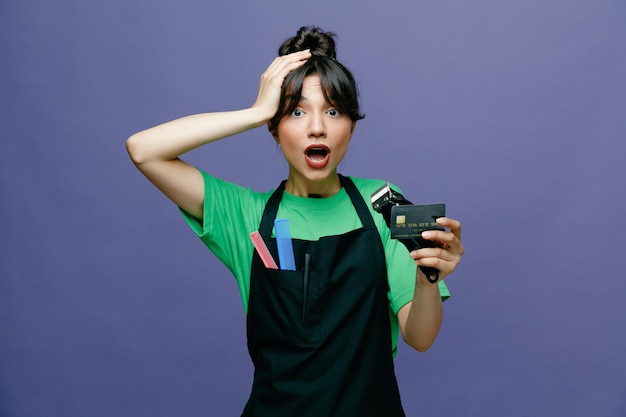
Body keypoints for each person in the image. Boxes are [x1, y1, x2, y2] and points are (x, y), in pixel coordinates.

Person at [126, 26, 464, 417]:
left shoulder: (381, 203)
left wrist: (427, 276)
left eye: (333, 111)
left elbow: (420, 338)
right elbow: (143, 150)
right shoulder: (247, 216)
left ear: (351, 127)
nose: (316, 127)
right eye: (297, 112)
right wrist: (255, 112)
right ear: (275, 127)